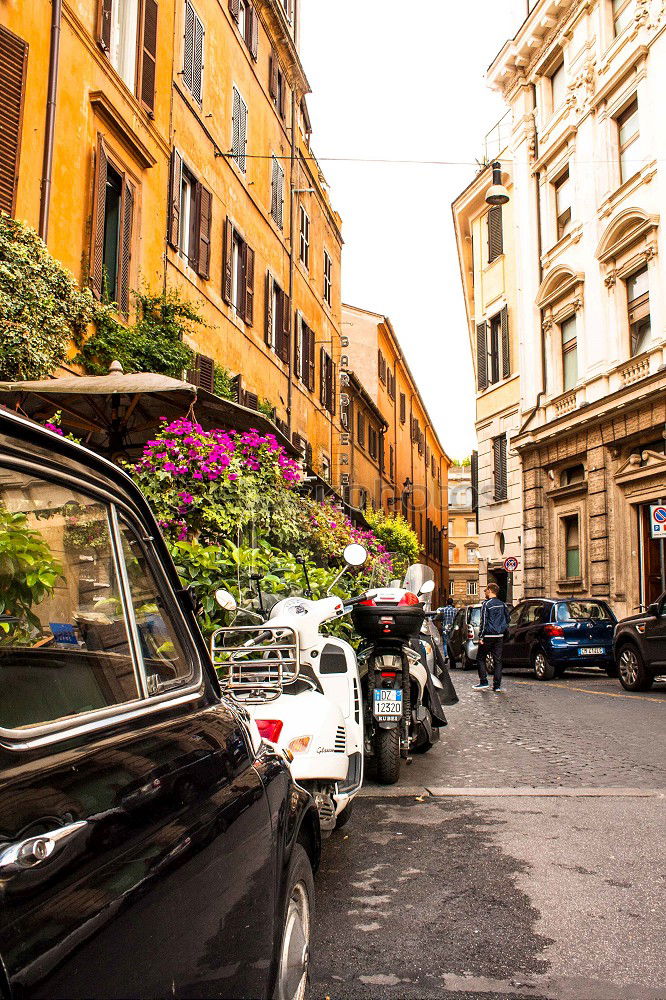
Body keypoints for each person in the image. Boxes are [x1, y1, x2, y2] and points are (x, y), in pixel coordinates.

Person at [473, 583, 510, 693]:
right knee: (498, 660)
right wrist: (501, 628)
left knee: (480, 658)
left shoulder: (486, 604)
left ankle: (484, 681)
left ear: (490, 590)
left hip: (488, 635)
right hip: (499, 636)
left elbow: (483, 621)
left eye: (485, 590)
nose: (485, 592)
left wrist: (481, 636)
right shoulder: (503, 604)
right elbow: (508, 619)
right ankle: (497, 686)